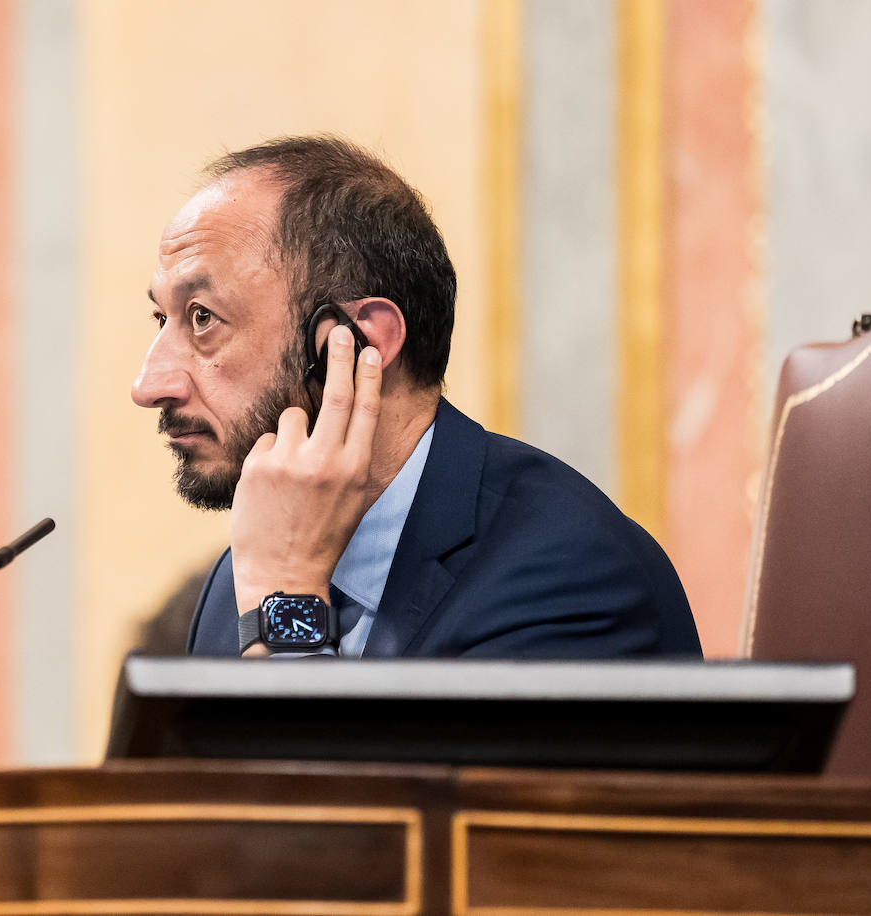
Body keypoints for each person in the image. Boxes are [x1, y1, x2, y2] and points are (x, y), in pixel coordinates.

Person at [131, 135, 701, 659]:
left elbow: (326, 775)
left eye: (202, 318)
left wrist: (284, 599)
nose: (149, 386)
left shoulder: (568, 579)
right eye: (162, 318)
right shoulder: (241, 578)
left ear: (358, 342)